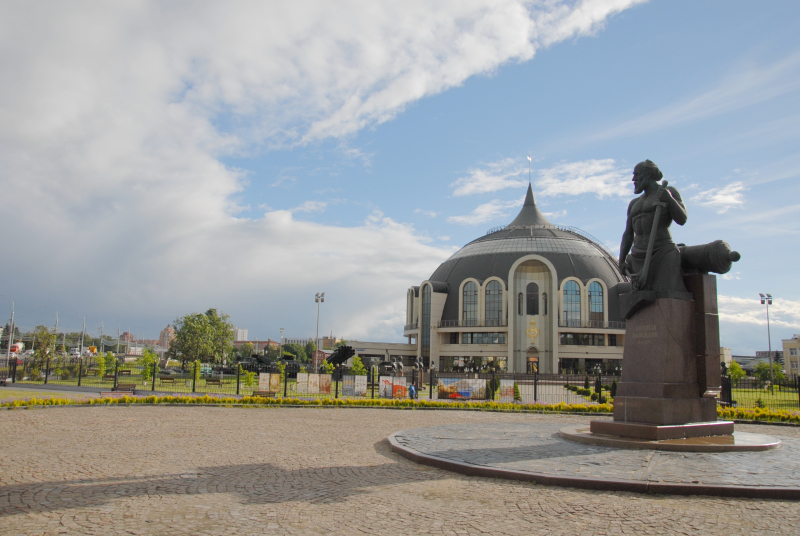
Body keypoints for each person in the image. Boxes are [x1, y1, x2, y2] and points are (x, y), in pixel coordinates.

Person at [619, 160, 688, 293]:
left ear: (648, 174)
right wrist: (622, 260)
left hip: (662, 251)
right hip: (638, 256)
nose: (633, 179)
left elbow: (682, 219)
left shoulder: (667, 192)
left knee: (666, 294)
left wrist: (669, 199)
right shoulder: (634, 204)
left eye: (637, 175)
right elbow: (628, 234)